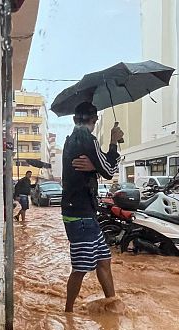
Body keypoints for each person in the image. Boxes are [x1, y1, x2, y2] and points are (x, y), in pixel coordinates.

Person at [61, 102, 123, 313]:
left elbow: (96, 169)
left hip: (82, 214)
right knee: (80, 268)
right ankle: (68, 313)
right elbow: (110, 169)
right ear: (94, 120)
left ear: (74, 119)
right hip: (81, 216)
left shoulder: (70, 141)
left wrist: (94, 167)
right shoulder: (89, 139)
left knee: (104, 260)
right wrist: (114, 142)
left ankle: (113, 304)